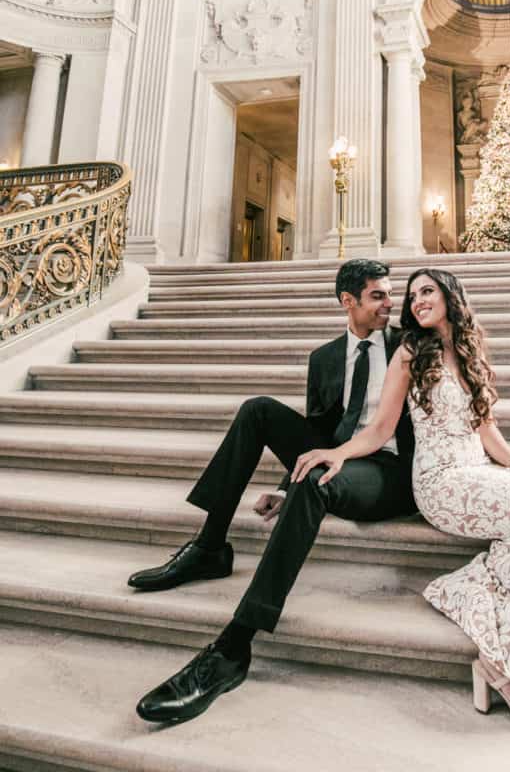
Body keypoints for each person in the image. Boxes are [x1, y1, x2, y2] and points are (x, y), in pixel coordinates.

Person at [293, 268, 510, 732]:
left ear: (450, 296)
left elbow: (485, 426)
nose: (417, 301)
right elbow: (381, 429)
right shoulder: (409, 352)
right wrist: (338, 453)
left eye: (427, 291)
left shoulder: (468, 348)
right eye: (413, 296)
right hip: (442, 483)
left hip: (479, 471)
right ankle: (504, 668)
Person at [131, 258, 416, 723]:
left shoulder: (409, 345)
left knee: (315, 480)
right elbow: (319, 433)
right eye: (378, 296)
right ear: (347, 301)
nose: (390, 303)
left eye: (390, 293)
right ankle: (209, 547)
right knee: (257, 409)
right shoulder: (325, 358)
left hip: (389, 469)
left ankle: (233, 647)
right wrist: (285, 486)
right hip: (338, 456)